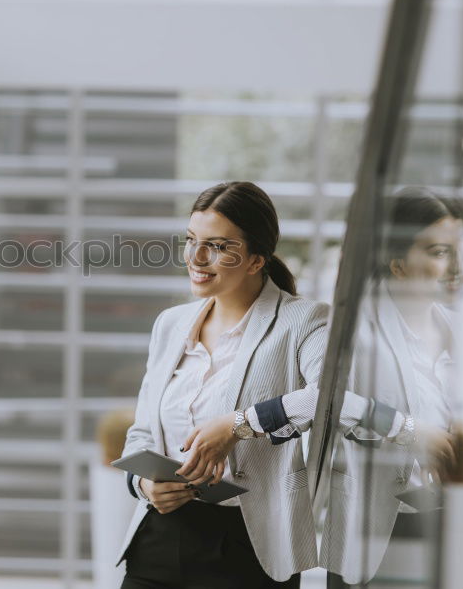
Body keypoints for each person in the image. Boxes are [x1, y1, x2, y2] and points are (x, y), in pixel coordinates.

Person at [116, 181, 329, 588]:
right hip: (158, 541)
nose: (196, 258)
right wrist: (142, 484)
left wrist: (236, 426)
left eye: (216, 245)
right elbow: (142, 432)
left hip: (250, 549)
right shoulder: (171, 324)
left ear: (255, 260)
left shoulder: (305, 321)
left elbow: (330, 399)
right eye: (191, 240)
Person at [322, 187, 463, 587]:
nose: (457, 266)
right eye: (439, 252)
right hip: (374, 537)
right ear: (397, 263)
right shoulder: (351, 330)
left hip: (444, 527)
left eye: (459, 249)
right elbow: (331, 405)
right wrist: (413, 432)